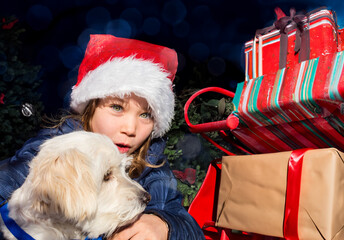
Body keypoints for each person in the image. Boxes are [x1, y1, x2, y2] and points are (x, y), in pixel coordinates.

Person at [0, 34, 205, 240]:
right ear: (91, 106)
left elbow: (185, 223)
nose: (130, 128)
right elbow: (8, 178)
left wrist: (164, 224)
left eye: (146, 115)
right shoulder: (60, 148)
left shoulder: (152, 163)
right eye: (117, 107)